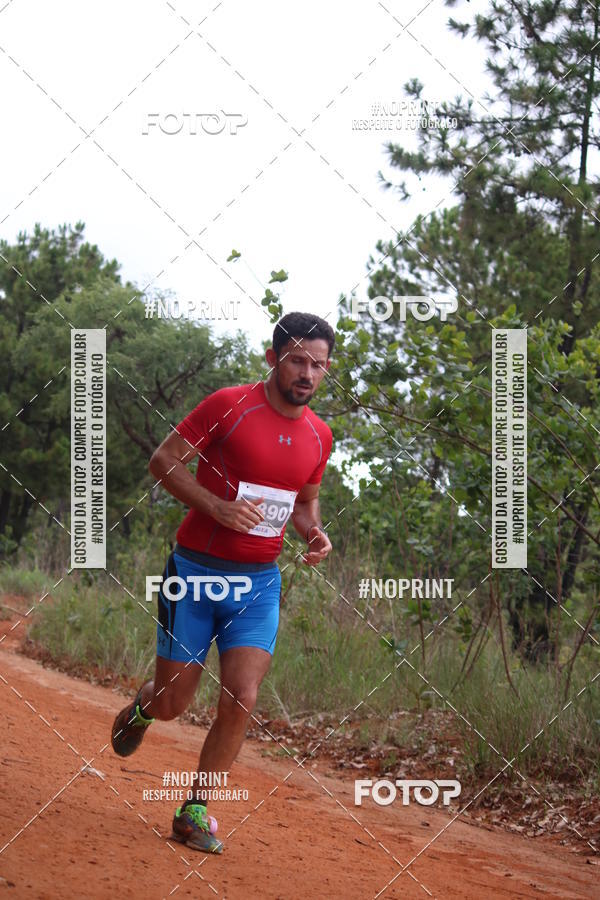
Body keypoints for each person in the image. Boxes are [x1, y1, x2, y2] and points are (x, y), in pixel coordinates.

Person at [111, 311, 334, 853]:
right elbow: (163, 461)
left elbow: (304, 504)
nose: (307, 373)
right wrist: (217, 506)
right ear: (273, 358)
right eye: (298, 360)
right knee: (174, 702)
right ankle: (144, 708)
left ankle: (194, 810)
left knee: (242, 696)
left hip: (258, 583)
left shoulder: (319, 435)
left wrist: (314, 534)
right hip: (195, 573)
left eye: (319, 365)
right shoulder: (228, 405)